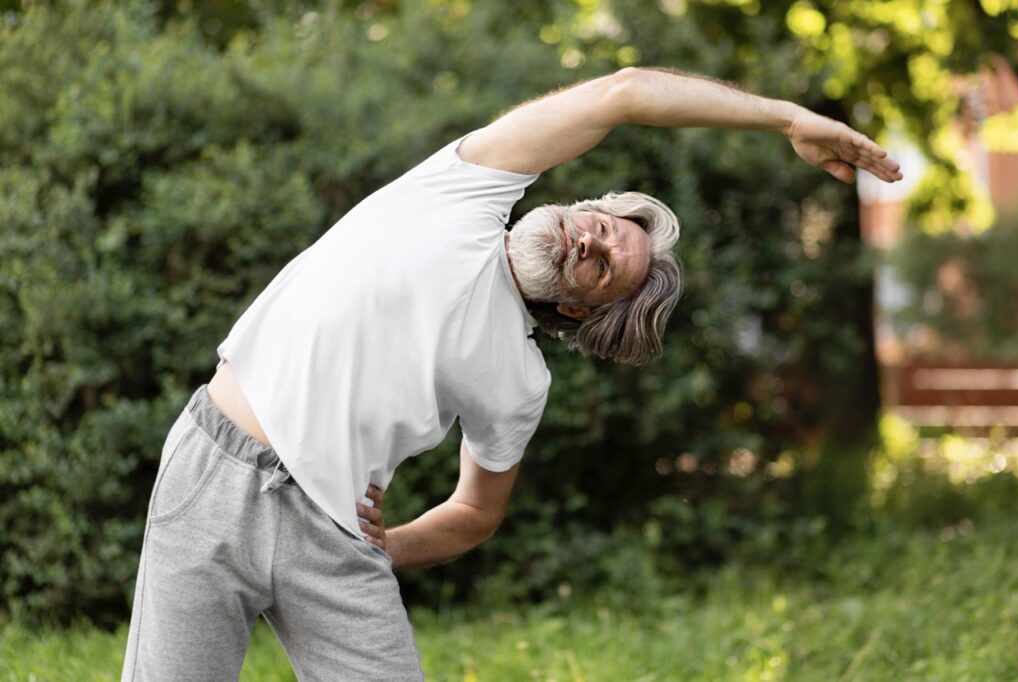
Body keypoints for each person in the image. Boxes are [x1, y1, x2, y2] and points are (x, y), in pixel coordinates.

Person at [121, 66, 901, 681]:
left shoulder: (520, 381)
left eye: (605, 266)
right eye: (603, 225)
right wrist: (787, 118)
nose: (591, 242)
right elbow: (625, 93)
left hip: (333, 540)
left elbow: (475, 510)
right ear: (584, 205)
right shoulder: (466, 187)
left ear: (580, 311)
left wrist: (388, 545)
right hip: (215, 476)